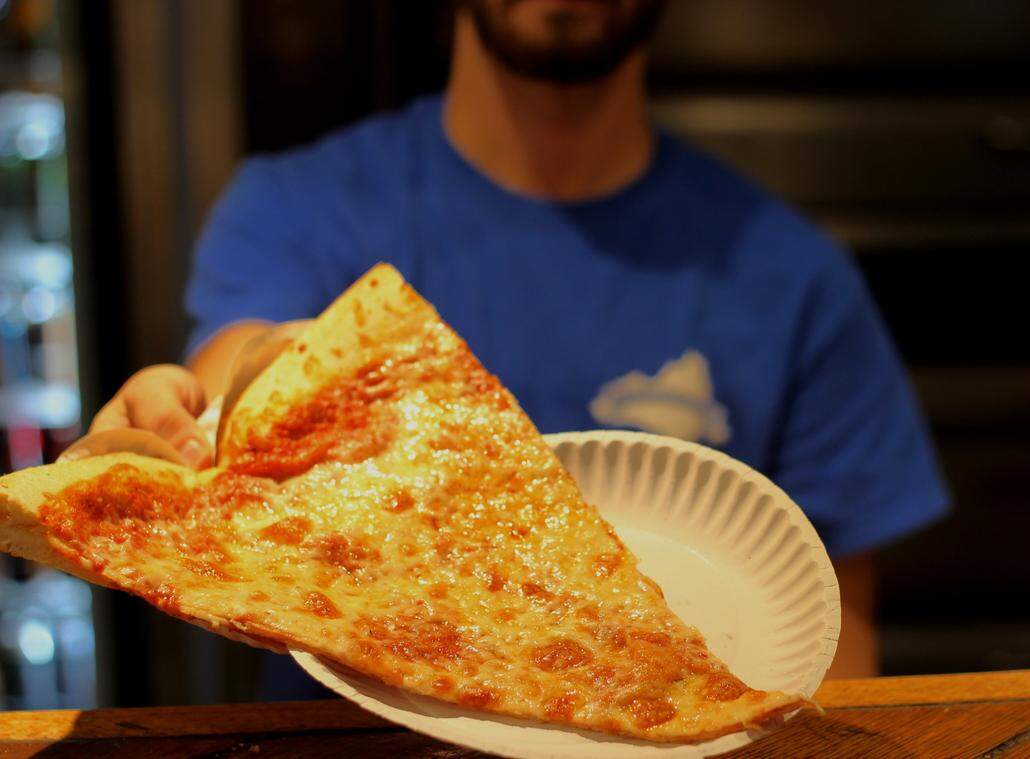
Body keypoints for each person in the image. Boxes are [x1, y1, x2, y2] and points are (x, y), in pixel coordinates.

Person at [90, 0, 947, 688]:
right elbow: (241, 384)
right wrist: (180, 423)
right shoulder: (297, 210)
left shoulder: (794, 275)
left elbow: (829, 632)